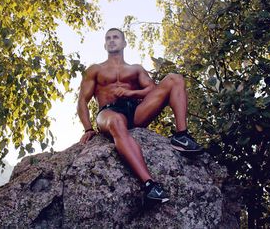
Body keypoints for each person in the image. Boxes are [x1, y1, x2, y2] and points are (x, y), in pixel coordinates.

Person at [77, 28, 203, 205]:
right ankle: (150, 185)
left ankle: (182, 136)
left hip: (135, 112)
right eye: (108, 38)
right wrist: (88, 128)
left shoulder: (135, 69)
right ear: (104, 44)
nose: (112, 40)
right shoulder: (95, 70)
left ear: (124, 43)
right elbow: (82, 99)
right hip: (109, 112)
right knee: (117, 121)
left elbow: (151, 89)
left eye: (116, 37)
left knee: (175, 79)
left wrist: (130, 93)